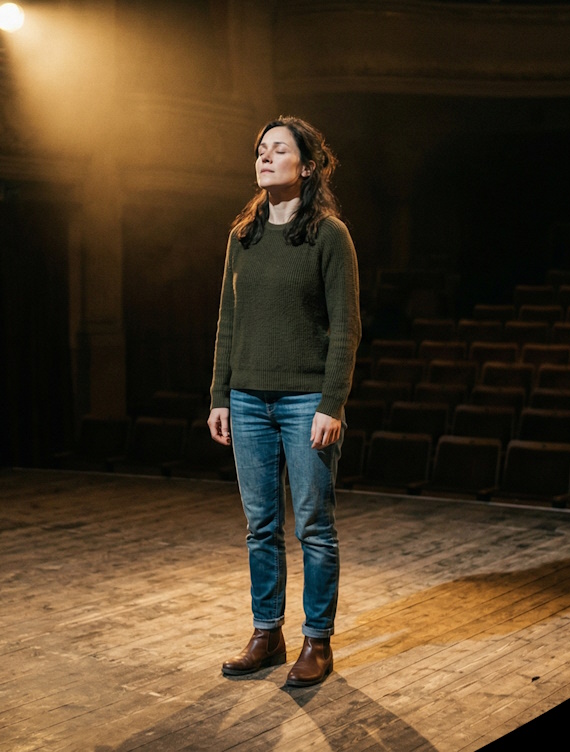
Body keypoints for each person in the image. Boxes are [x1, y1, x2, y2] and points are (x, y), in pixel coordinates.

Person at [208, 116, 360, 688]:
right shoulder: (243, 236)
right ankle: (266, 634)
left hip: (306, 402)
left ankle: (317, 641)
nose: (265, 157)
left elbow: (346, 328)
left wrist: (332, 403)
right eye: (260, 150)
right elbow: (228, 320)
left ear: (309, 166)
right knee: (261, 526)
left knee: (314, 527)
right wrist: (220, 394)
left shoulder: (329, 235)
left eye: (278, 149)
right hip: (247, 399)